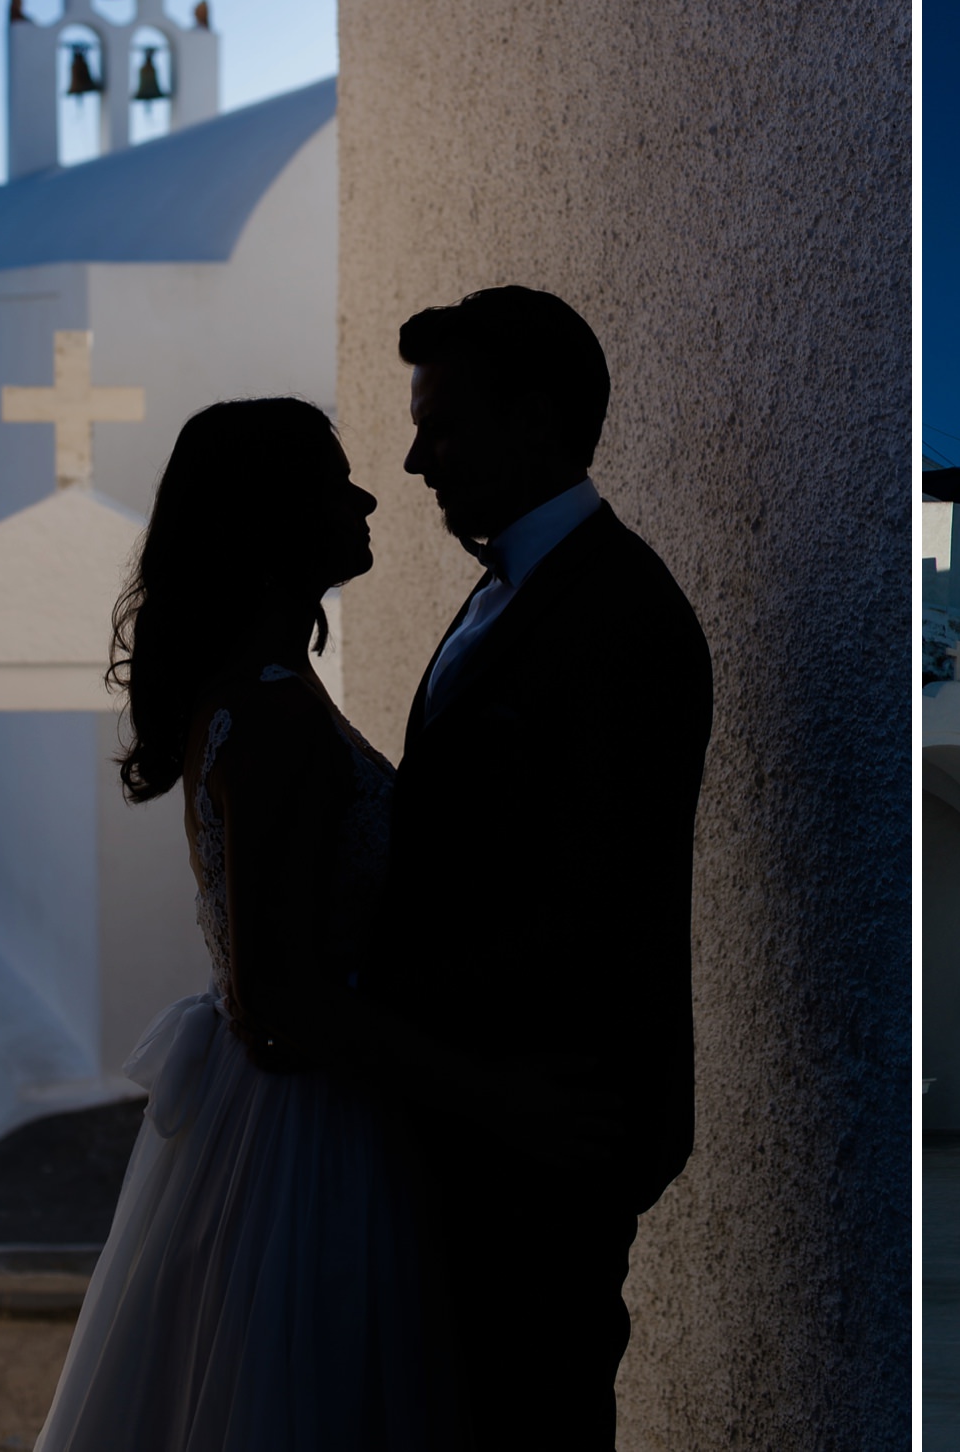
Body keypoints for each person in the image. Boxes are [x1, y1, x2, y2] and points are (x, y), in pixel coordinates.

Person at [38, 399, 439, 1450]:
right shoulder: (272, 714)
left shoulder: (249, 696)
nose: (364, 496)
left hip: (265, 1116)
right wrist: (476, 1080)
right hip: (311, 1132)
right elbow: (279, 998)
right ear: (271, 521)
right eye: (333, 481)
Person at [370, 287, 714, 1446]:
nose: (415, 459)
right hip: (474, 1120)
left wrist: (379, 1018)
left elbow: (597, 899)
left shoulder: (622, 616)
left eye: (446, 426)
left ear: (535, 418)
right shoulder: (505, 582)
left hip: (544, 1133)